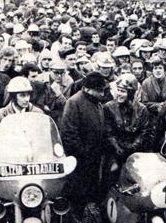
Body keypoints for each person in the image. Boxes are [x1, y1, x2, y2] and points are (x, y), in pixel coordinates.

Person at [60, 71, 108, 221]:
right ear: (87, 89)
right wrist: (83, 152)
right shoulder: (74, 102)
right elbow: (68, 133)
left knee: (88, 189)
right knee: (76, 192)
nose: (102, 93)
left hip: (93, 157)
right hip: (79, 159)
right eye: (99, 90)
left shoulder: (96, 102)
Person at [103, 73, 152, 188]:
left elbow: (144, 132)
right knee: (111, 172)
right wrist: (118, 148)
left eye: (123, 91)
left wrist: (133, 147)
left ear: (131, 93)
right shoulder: (109, 107)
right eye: (118, 90)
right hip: (115, 151)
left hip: (136, 151)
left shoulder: (142, 109)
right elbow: (108, 132)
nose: (119, 94)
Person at [0, 76, 43, 145]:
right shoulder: (0, 115)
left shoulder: (37, 113)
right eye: (22, 95)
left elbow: (42, 139)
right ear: (13, 97)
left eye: (28, 95)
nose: (26, 99)